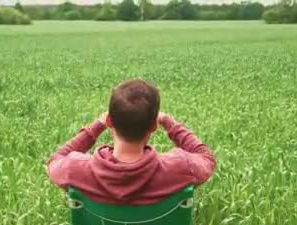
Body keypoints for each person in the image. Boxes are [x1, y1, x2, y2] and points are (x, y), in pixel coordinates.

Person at [46, 79, 216, 205]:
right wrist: (169, 122)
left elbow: (55, 159)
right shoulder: (181, 168)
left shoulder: (75, 169)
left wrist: (96, 126)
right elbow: (206, 157)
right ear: (154, 125)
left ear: (110, 121)